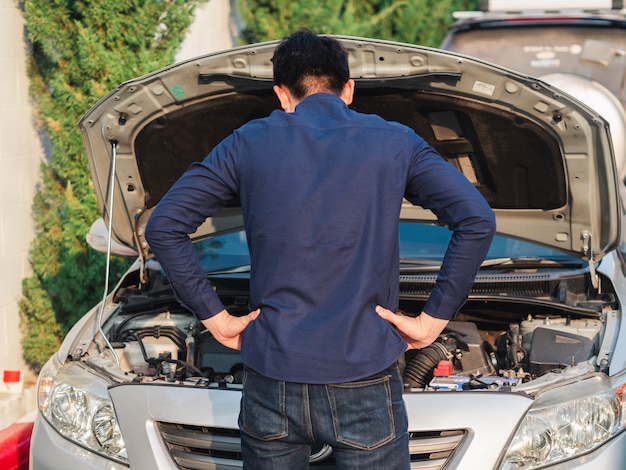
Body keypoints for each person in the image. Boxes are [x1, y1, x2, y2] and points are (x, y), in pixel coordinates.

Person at [145, 29, 496, 469]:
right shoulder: (396, 142)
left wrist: (215, 319)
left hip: (272, 378)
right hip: (365, 379)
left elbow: (164, 226)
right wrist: (432, 321)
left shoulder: (246, 143)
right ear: (348, 89)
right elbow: (477, 219)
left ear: (282, 95)